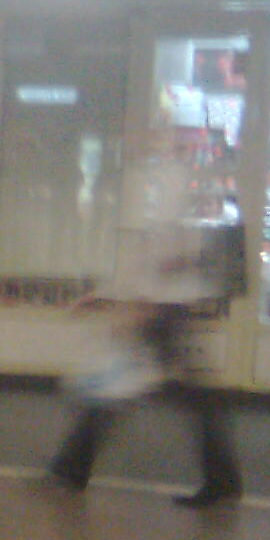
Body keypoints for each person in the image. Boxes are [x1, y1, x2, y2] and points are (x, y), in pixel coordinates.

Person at [49, 135, 244, 507]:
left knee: (128, 387)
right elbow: (158, 258)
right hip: (162, 310)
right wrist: (114, 295)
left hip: (162, 312)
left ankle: (71, 468)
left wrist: (137, 301)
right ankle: (71, 467)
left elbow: (168, 258)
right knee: (129, 386)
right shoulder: (167, 192)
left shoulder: (169, 192)